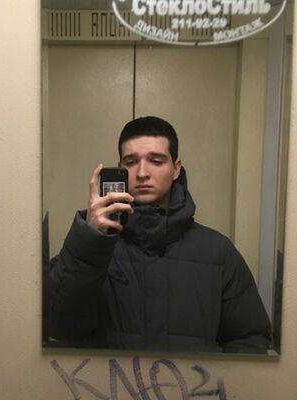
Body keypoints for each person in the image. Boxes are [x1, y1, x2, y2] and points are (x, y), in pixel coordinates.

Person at [45, 116, 271, 352]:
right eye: (131, 162)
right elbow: (58, 326)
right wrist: (90, 238)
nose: (142, 173)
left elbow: (250, 340)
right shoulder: (93, 246)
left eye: (156, 160)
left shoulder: (219, 252)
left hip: (194, 379)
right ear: (120, 169)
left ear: (176, 169)